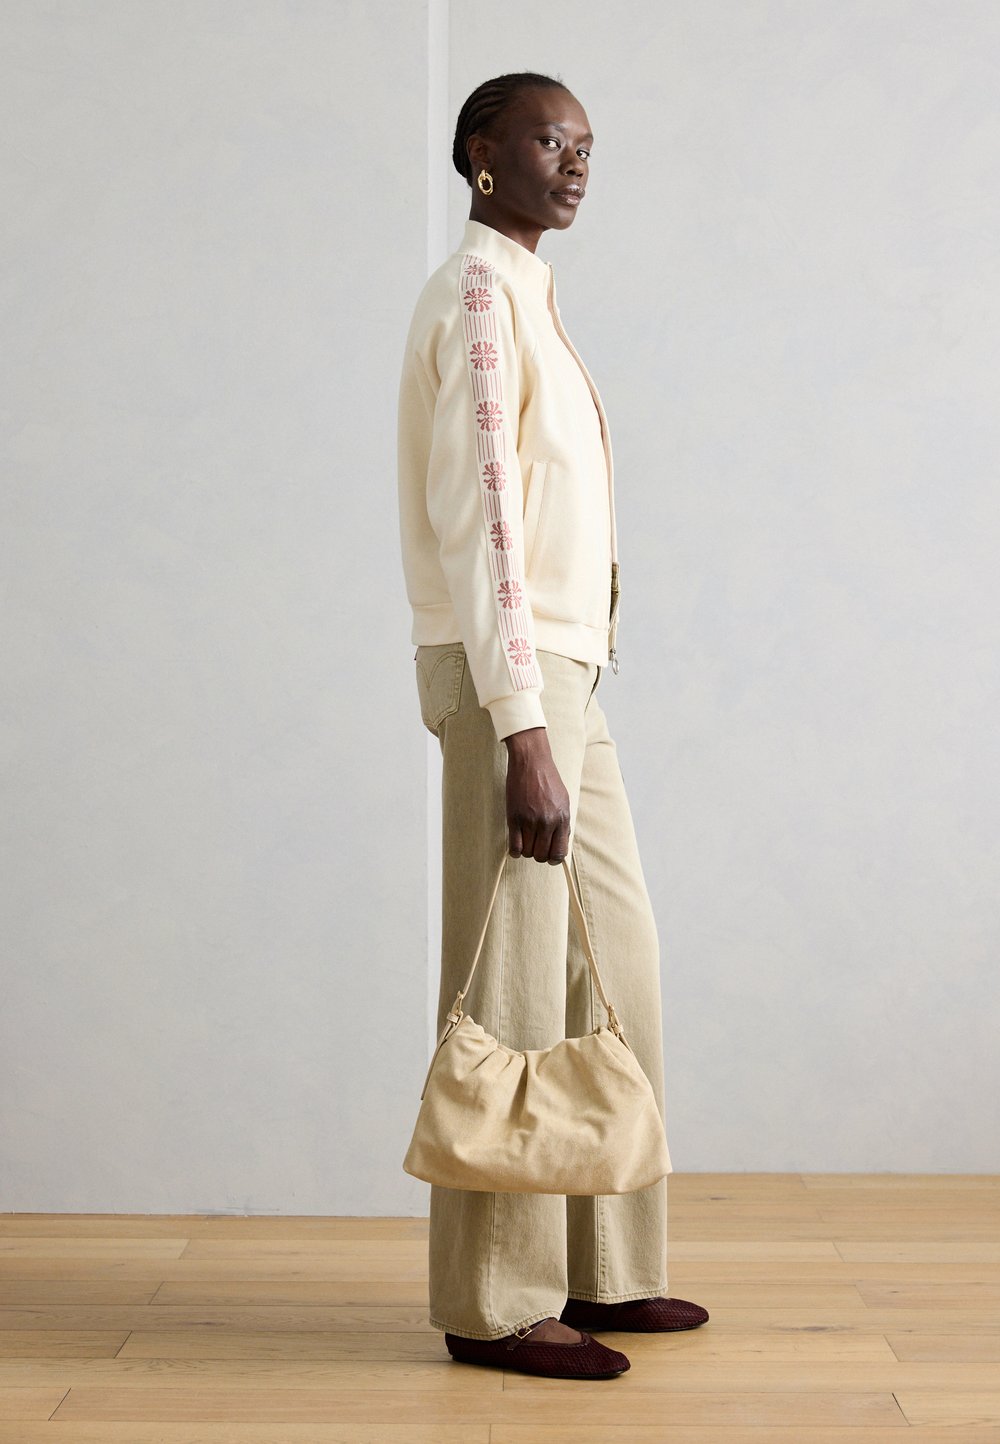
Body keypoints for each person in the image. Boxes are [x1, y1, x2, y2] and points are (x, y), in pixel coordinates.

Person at [396, 71, 709, 1380]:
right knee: (515, 990)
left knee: (609, 961)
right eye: (545, 139)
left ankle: (600, 1264)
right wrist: (522, 723)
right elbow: (484, 525)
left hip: (567, 672)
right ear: (482, 155)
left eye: (584, 145)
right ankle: (495, 1300)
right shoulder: (477, 296)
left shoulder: (529, 291)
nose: (573, 162)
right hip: (513, 683)